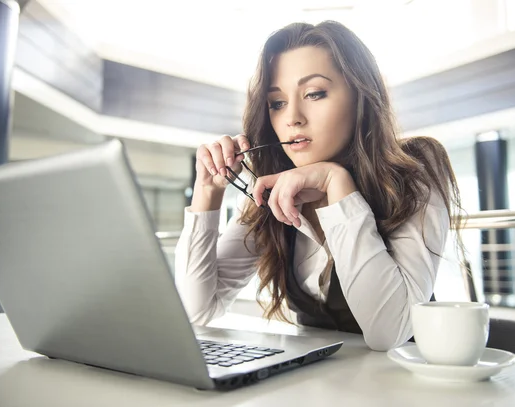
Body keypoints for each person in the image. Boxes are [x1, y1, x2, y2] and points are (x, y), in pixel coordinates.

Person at [175, 21, 463, 351]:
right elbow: (197, 310)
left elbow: (389, 332)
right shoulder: (268, 189)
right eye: (277, 103)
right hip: (316, 385)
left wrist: (335, 183)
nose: (292, 117)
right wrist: (207, 193)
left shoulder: (415, 167)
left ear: (360, 96)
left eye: (314, 94)